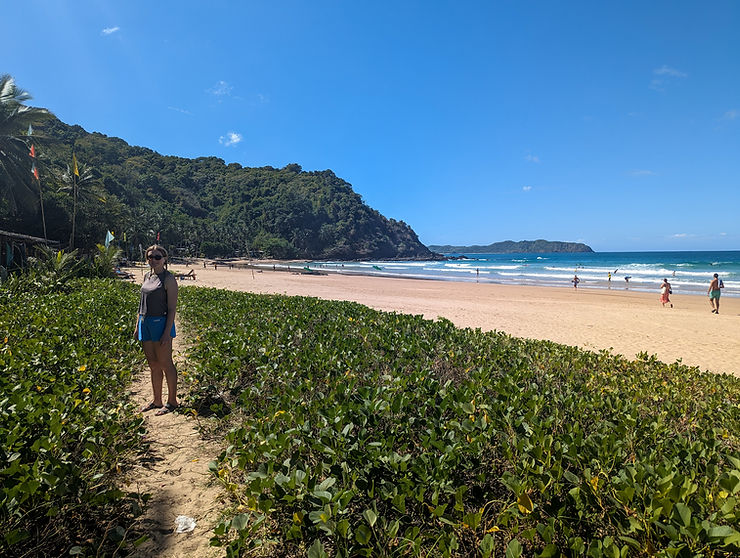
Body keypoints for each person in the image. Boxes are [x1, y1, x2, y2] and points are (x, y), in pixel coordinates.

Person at [135, 244, 179, 414]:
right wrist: (137, 324)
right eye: (150, 257)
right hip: (145, 323)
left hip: (160, 323)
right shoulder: (147, 275)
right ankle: (157, 400)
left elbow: (172, 308)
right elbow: (141, 304)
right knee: (153, 364)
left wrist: (167, 332)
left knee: (166, 363)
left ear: (164, 259)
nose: (153, 260)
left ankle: (172, 401)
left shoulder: (168, 279)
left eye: (157, 257)